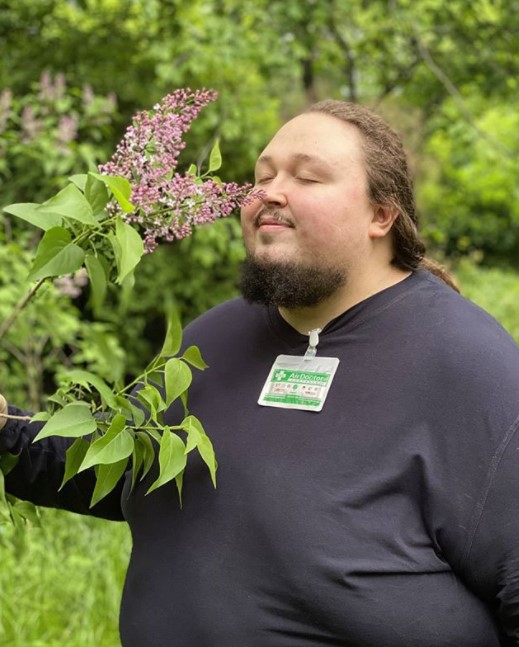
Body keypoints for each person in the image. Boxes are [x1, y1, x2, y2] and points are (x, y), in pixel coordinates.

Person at [1, 100, 519, 647]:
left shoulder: (468, 365)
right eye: (262, 175)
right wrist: (7, 433)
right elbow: (119, 468)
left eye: (307, 176)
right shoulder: (211, 342)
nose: (268, 191)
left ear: (381, 215)